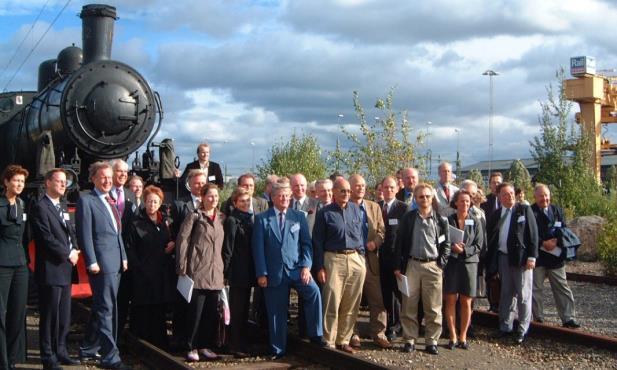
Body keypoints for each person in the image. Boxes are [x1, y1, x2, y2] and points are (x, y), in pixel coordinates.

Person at [252, 178, 325, 359]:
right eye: (281, 196)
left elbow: (306, 245)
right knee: (276, 312)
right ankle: (278, 349)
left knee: (314, 293)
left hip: (297, 270)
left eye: (287, 195)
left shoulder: (298, 216)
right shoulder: (262, 219)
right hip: (274, 273)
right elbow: (258, 249)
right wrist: (262, 273)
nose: (285, 198)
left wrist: (306, 266)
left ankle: (316, 335)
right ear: (273, 197)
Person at [76, 161, 129, 369]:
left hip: (115, 262)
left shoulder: (111, 200)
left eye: (109, 177)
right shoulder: (86, 200)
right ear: (94, 179)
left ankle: (88, 348)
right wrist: (91, 261)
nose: (107, 180)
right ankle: (110, 356)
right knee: (107, 308)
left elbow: (117, 233)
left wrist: (123, 256)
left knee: (103, 306)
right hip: (102, 263)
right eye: (103, 177)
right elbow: (85, 234)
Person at [31, 169, 81, 370]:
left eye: (65, 182)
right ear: (47, 183)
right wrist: (67, 253)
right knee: (50, 315)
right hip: (51, 268)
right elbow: (46, 238)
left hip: (66, 269)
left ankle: (61, 350)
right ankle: (48, 356)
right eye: (59, 181)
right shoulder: (40, 207)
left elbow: (70, 231)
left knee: (64, 315)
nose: (63, 185)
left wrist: (75, 248)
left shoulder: (61, 206)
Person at [393, 183, 450, 355]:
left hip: (433, 266)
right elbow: (399, 243)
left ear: (432, 198)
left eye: (427, 196)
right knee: (409, 304)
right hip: (412, 265)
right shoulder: (408, 218)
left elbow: (446, 244)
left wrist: (441, 263)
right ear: (416, 199)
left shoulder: (441, 220)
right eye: (421, 196)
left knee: (433, 306)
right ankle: (409, 339)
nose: (424, 199)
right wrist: (397, 266)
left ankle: (431, 341)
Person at [313, 178, 366, 354]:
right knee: (332, 301)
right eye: (343, 191)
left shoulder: (356, 209)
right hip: (333, 259)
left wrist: (362, 257)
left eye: (348, 191)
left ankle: (343, 339)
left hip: (355, 258)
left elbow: (360, 235)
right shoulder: (325, 213)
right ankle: (329, 340)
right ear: (334, 192)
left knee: (351, 302)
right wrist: (320, 266)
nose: (346, 194)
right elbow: (318, 241)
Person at [176, 184, 224, 362]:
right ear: (202, 197)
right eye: (210, 196)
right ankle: (191, 345)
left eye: (216, 196)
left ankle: (204, 345)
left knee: (210, 312)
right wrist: (182, 267)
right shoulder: (195, 216)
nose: (213, 199)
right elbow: (183, 241)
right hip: (197, 271)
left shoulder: (220, 218)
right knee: (195, 311)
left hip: (215, 272)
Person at [486, 182, 538, 344]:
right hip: (503, 258)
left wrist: (532, 256)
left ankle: (522, 329)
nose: (509, 196)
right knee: (506, 293)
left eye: (511, 193)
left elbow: (533, 234)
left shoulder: (523, 210)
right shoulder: (495, 215)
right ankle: (505, 327)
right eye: (505, 194)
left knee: (523, 295)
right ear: (499, 197)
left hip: (521, 259)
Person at [124, 185, 175, 348]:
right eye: (149, 201)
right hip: (142, 272)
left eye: (156, 201)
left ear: (160, 203)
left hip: (161, 271)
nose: (152, 204)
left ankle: (159, 340)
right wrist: (138, 267)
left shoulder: (165, 222)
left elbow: (171, 240)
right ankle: (140, 339)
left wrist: (172, 245)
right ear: (144, 202)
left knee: (159, 308)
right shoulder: (135, 223)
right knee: (143, 308)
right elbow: (130, 248)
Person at [530, 184, 580, 329]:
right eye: (541, 196)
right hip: (539, 257)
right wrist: (543, 243)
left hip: (556, 257)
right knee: (536, 289)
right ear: (535, 197)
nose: (544, 199)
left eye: (546, 195)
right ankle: (537, 318)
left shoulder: (557, 210)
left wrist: (556, 241)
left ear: (549, 196)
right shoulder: (530, 211)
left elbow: (563, 229)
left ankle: (568, 317)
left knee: (562, 287)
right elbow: (529, 233)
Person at [348, 174, 389, 349]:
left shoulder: (374, 207)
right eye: (357, 185)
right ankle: (352, 333)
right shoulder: (345, 207)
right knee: (352, 299)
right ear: (350, 187)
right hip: (352, 258)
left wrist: (376, 243)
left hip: (371, 260)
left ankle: (379, 334)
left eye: (363, 185)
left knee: (377, 300)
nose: (361, 188)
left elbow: (381, 230)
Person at [169, 169, 207, 348]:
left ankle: (198, 338)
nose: (200, 186)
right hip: (185, 258)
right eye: (197, 183)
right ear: (189, 184)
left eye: (202, 183)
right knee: (183, 299)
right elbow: (174, 232)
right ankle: (179, 338)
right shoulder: (179, 205)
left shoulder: (210, 203)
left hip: (203, 260)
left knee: (199, 301)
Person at [444, 190, 483, 350]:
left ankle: (463, 336)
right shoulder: (447, 220)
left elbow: (479, 245)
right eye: (462, 201)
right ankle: (452, 335)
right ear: (456, 202)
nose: (465, 204)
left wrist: (464, 250)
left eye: (467, 201)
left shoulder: (476, 221)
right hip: (452, 264)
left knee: (466, 301)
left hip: (469, 264)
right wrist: (452, 248)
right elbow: (441, 240)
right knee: (451, 300)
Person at [0, 165, 29, 369]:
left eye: (22, 181)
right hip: (1, 264)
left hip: (20, 264)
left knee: (17, 312)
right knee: (0, 314)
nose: (19, 184)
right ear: (6, 182)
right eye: (16, 180)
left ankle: (12, 358)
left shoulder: (22, 204)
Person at [222, 187, 256, 357]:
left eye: (248, 200)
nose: (245, 203)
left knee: (244, 311)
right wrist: (225, 273)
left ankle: (242, 342)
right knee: (236, 310)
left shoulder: (250, 219)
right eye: (242, 201)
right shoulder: (232, 221)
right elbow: (228, 248)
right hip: (237, 271)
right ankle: (234, 344)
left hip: (249, 271)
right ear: (235, 202)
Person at [378, 176, 407, 341]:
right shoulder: (376, 206)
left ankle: (395, 327)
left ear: (397, 189)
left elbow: (405, 236)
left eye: (391, 187)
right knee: (383, 293)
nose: (388, 190)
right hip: (378, 257)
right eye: (385, 187)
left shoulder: (403, 208)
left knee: (396, 295)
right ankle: (385, 324)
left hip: (396, 258)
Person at [110, 159, 136, 336]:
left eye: (126, 173)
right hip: (108, 252)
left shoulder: (130, 195)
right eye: (120, 171)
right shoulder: (103, 194)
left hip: (126, 252)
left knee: (123, 296)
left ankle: (118, 335)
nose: (123, 175)